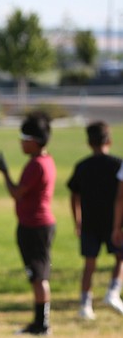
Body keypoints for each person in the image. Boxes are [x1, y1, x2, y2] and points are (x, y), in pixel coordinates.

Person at [0, 111, 57, 336]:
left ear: (34, 142)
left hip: (34, 226)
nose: (21, 143)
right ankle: (40, 322)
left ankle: (41, 324)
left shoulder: (36, 165)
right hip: (38, 224)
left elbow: (17, 193)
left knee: (38, 276)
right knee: (38, 275)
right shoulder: (46, 160)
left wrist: (4, 171)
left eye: (24, 139)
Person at [66, 122, 123, 320]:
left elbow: (74, 196)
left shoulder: (82, 166)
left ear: (88, 142)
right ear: (109, 140)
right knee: (120, 258)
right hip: (113, 222)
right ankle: (113, 291)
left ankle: (85, 304)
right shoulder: (117, 165)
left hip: (89, 222)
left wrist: (77, 220)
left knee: (89, 264)